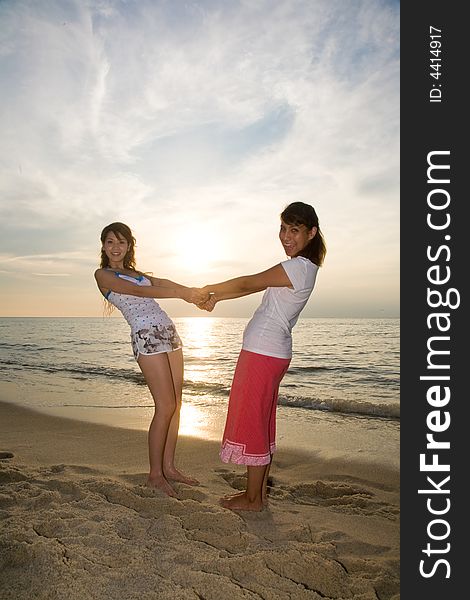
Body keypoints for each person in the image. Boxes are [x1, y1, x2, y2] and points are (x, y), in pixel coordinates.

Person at [199, 202, 326, 511]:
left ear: (311, 232)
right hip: (271, 352)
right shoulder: (302, 267)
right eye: (283, 228)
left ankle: (253, 498)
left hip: (262, 352)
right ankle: (257, 495)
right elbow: (251, 288)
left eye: (294, 230)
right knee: (262, 422)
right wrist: (216, 298)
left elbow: (247, 282)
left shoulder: (298, 267)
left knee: (254, 423)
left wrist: (206, 288)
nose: (286, 236)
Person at [94, 222, 208, 497]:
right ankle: (155, 475)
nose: (116, 247)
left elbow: (161, 283)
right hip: (146, 335)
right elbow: (141, 293)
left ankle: (169, 467)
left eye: (121, 242)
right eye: (110, 242)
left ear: (129, 245)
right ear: (104, 246)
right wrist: (182, 294)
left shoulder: (137, 273)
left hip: (168, 331)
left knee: (177, 404)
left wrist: (193, 293)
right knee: (165, 405)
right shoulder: (103, 275)